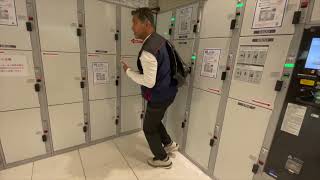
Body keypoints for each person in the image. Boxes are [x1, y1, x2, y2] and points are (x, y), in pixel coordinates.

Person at [121, 7, 179, 169]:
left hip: (159, 95)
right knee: (154, 119)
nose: (132, 27)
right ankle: (169, 144)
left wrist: (128, 72)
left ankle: (162, 159)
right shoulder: (160, 40)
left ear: (146, 24)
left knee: (148, 127)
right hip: (170, 91)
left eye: (135, 22)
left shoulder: (148, 50)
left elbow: (148, 82)